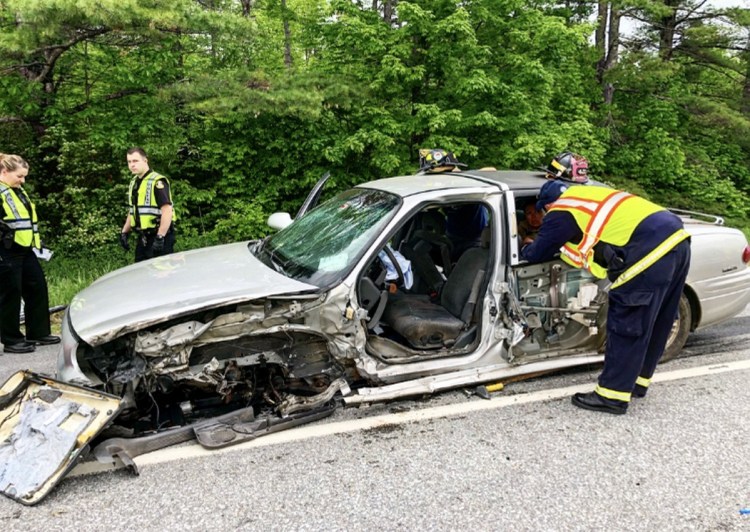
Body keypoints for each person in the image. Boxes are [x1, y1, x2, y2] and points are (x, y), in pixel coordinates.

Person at [521, 179, 691, 415]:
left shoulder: (561, 211)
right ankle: (637, 383)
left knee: (628, 322)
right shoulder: (587, 195)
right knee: (658, 319)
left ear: (547, 206)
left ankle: (611, 396)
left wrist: (526, 245)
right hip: (677, 239)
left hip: (648, 248)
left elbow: (536, 254)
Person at [0, 153, 60, 354]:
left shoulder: (17, 191)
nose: (23, 180)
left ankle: (38, 332)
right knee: (10, 294)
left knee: (37, 287)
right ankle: (11, 339)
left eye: (24, 176)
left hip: (25, 249)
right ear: (4, 172)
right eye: (19, 176)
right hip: (6, 251)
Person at [119, 147, 176, 262]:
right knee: (140, 273)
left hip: (159, 235)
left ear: (145, 161)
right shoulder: (134, 182)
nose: (132, 165)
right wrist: (124, 232)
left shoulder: (157, 182)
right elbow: (134, 210)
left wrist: (160, 237)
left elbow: (167, 210)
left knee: (162, 273)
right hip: (143, 237)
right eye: (129, 162)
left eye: (135, 161)